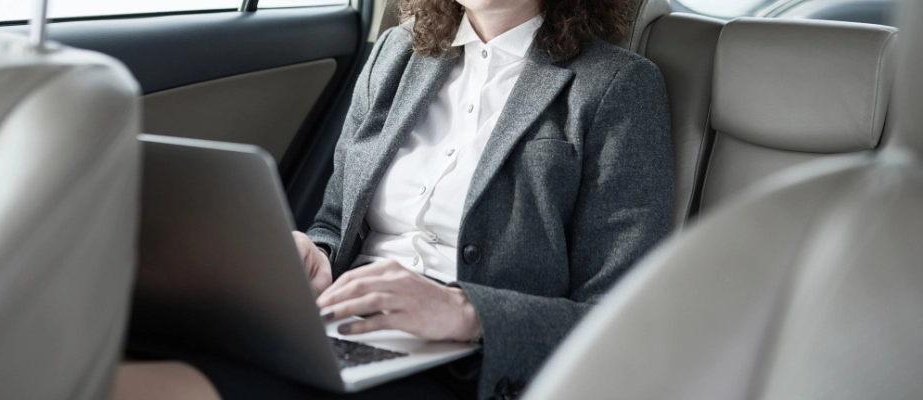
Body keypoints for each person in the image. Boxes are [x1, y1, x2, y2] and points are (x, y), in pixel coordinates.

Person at [117, 0, 673, 397]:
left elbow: (627, 318)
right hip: (343, 324)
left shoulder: (618, 86)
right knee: (127, 350)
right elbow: (336, 222)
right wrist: (315, 257)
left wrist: (465, 312)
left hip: (465, 364)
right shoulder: (394, 55)